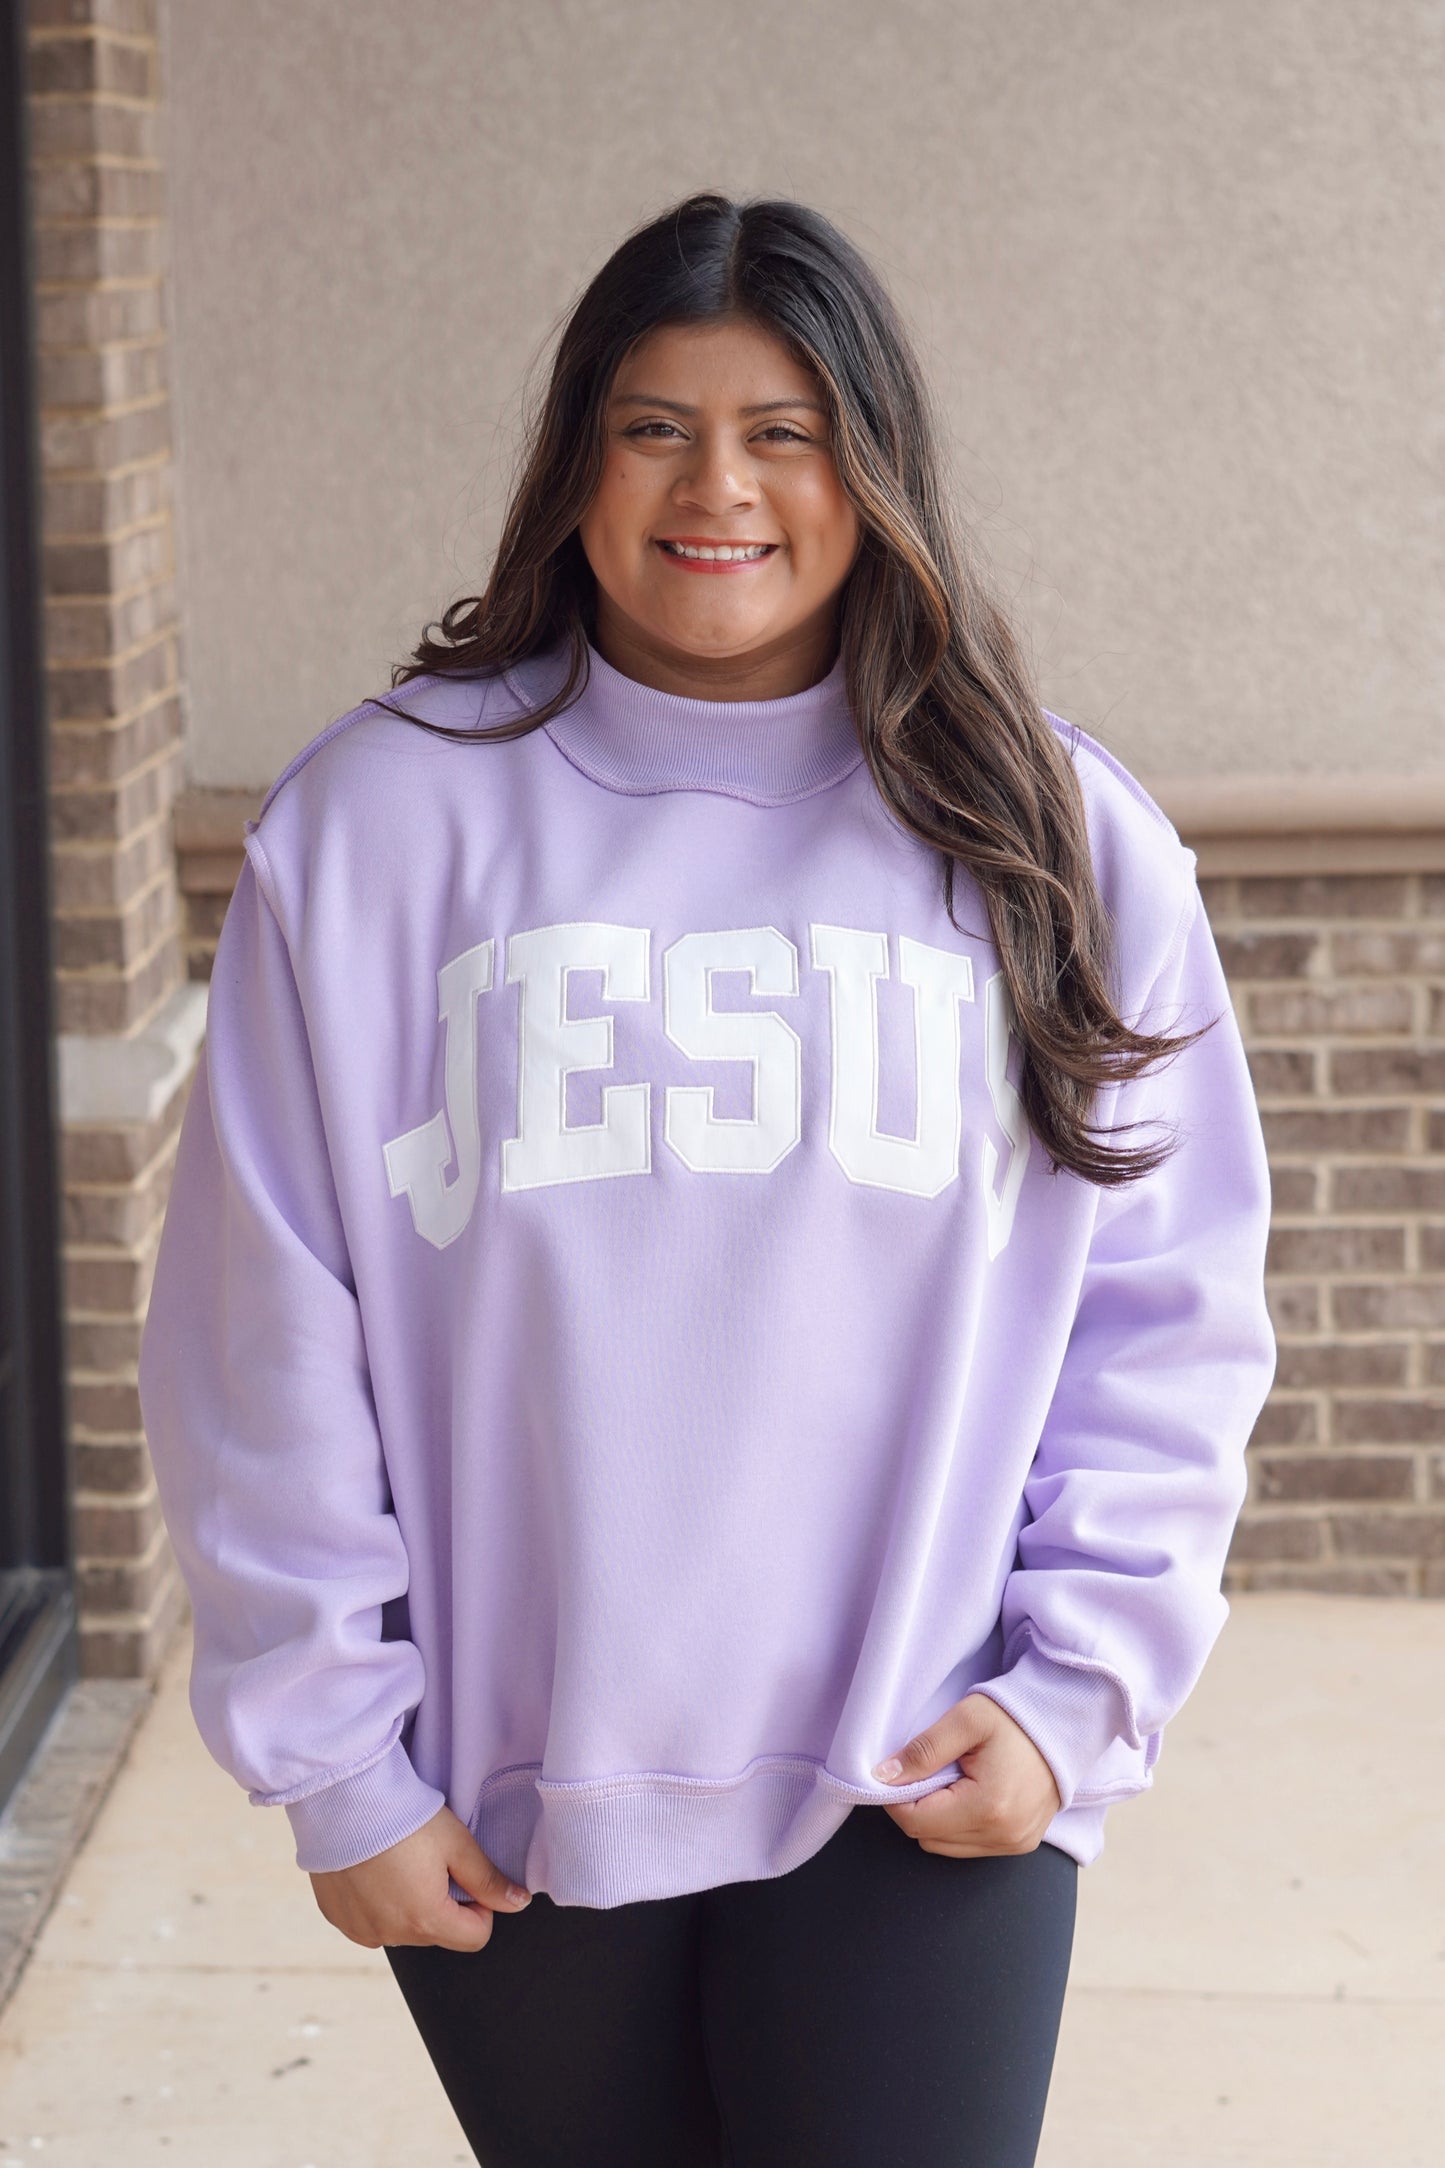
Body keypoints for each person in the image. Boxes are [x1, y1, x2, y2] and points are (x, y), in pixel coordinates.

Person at [137, 191, 1277, 2167]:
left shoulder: (1051, 832)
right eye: (656, 425)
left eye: (786, 429)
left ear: (875, 466)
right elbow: (261, 1325)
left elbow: (1166, 1309)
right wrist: (337, 1762)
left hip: (926, 1774)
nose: (718, 486)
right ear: (576, 458)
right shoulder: (383, 823)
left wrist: (1077, 1687)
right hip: (516, 1797)